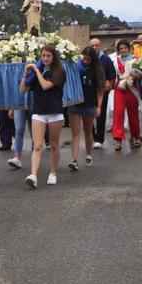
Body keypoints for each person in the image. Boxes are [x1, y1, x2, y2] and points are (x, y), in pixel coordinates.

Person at [21, 43, 66, 188]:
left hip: (55, 112)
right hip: (39, 112)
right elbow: (22, 90)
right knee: (38, 145)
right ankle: (33, 175)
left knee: (54, 144)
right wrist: (25, 74)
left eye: (48, 56)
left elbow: (46, 86)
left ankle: (53, 173)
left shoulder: (59, 71)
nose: (45, 58)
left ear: (54, 57)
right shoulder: (37, 72)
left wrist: (36, 70)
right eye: (43, 56)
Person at [68, 46, 103, 168]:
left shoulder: (97, 70)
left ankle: (89, 155)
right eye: (84, 58)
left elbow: (100, 90)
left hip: (89, 104)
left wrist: (99, 106)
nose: (85, 61)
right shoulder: (75, 67)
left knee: (88, 131)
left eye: (88, 59)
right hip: (75, 103)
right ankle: (74, 159)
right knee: (75, 133)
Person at [110, 40, 142, 151]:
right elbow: (114, 76)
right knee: (118, 114)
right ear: (118, 51)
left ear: (129, 49)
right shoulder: (115, 61)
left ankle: (136, 137)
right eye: (121, 48)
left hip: (132, 88)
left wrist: (136, 76)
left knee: (133, 113)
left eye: (125, 48)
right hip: (120, 89)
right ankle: (118, 139)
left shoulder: (136, 59)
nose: (123, 50)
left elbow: (141, 75)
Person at [89, 37, 116, 149]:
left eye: (97, 45)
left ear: (100, 46)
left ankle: (99, 139)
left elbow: (112, 74)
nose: (95, 47)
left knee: (101, 115)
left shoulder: (105, 59)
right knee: (88, 115)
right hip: (89, 91)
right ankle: (91, 135)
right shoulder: (86, 58)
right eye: (93, 45)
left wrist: (109, 84)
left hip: (102, 91)